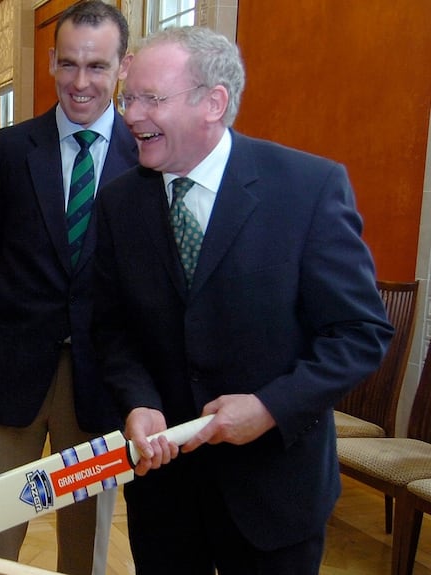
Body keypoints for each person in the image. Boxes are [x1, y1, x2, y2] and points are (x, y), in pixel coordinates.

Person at [91, 25, 394, 574]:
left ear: (214, 102)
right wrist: (138, 400)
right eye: (127, 96)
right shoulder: (118, 203)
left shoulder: (307, 187)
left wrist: (270, 407)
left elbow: (359, 333)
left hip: (274, 496)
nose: (130, 114)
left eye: (150, 99)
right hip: (166, 499)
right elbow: (112, 329)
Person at [0, 2, 136, 573]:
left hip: (100, 379)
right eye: (68, 64)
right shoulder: (5, 153)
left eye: (97, 66)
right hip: (13, 370)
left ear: (121, 67)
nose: (80, 83)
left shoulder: (146, 157)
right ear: (53, 62)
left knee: (85, 541)